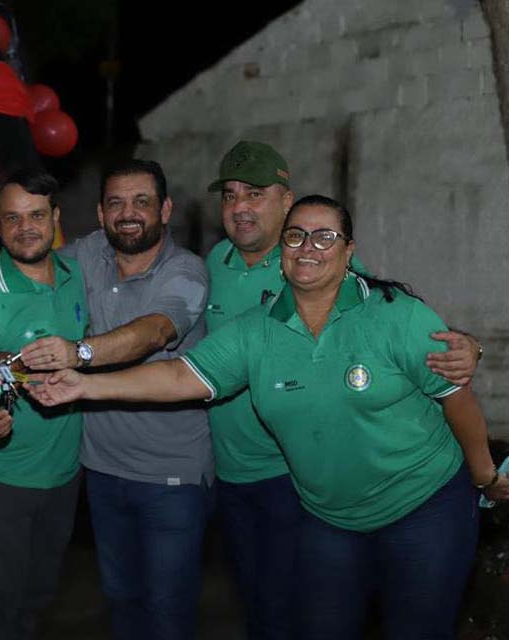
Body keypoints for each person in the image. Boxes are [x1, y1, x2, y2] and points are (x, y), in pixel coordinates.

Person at [29, 194, 509, 640]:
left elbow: (456, 396)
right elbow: (179, 377)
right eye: (296, 236)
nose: (308, 248)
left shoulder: (397, 317)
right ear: (282, 252)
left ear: (348, 252)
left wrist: (484, 473)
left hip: (423, 507)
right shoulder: (255, 333)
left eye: (325, 237)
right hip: (330, 518)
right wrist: (86, 383)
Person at [205, 141, 483, 639]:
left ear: (285, 200)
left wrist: (472, 347)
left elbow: (399, 318)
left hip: (297, 477)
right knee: (267, 610)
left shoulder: (321, 267)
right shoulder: (211, 266)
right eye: (228, 195)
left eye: (254, 192)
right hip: (234, 473)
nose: (240, 206)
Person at [0, 159, 212, 640]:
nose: (128, 213)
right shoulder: (84, 256)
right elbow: (27, 247)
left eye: (142, 202)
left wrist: (78, 353)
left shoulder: (187, 270)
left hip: (171, 476)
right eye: (116, 203)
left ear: (165, 209)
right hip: (98, 469)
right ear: (99, 214)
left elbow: (154, 332)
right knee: (120, 601)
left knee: (168, 608)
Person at [0, 168, 89, 640]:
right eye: (12, 218)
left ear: (55, 217)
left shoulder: (74, 276)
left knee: (39, 598)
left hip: (64, 471)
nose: (25, 227)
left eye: (36, 215)